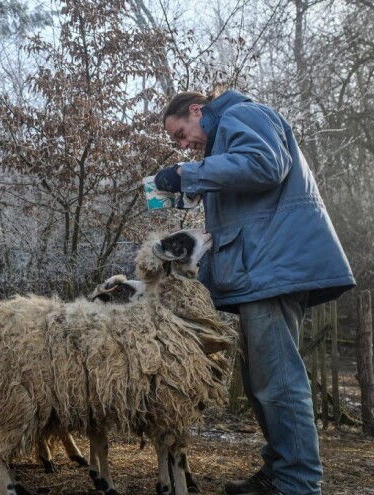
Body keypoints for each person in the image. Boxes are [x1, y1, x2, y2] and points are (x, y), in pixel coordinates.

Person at [154, 90, 355, 495]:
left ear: (197, 110)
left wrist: (187, 173)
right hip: (261, 270)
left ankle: (297, 483)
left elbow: (266, 164)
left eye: (181, 134)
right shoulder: (227, 135)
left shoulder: (242, 114)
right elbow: (247, 189)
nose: (183, 145)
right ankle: (280, 471)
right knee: (261, 381)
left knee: (277, 381)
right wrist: (191, 189)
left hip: (272, 268)